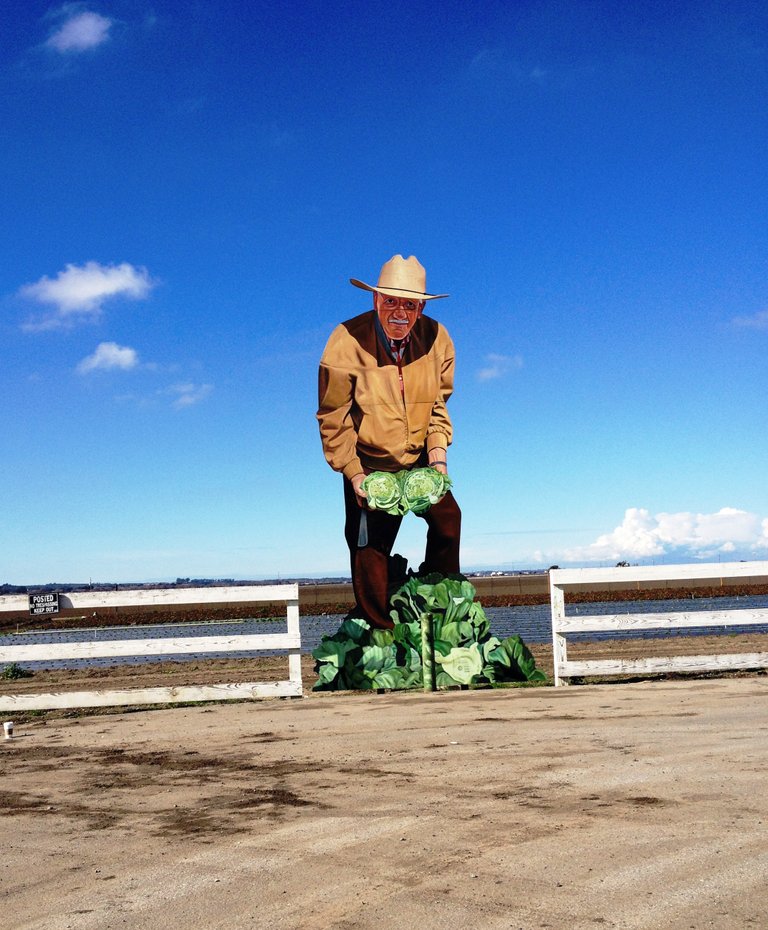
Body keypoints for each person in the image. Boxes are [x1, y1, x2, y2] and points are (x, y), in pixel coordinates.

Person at [317, 254, 461, 629]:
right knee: (369, 547)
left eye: (410, 304)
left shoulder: (438, 339)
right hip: (368, 460)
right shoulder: (344, 340)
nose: (400, 312)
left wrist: (439, 460)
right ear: (375, 299)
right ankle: (378, 630)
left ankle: (439, 602)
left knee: (448, 520)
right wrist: (353, 474)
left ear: (421, 307)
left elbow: (438, 406)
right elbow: (334, 416)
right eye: (391, 301)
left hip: (419, 458)